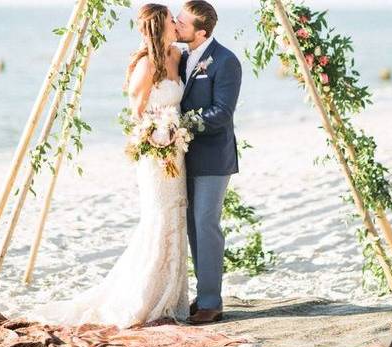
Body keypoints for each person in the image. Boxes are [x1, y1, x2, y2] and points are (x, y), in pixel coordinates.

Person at [29, 3, 189, 329]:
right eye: (171, 20)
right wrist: (158, 135)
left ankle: (171, 296)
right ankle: (146, 296)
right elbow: (137, 113)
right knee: (158, 218)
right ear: (160, 27)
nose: (176, 23)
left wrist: (176, 133)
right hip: (156, 155)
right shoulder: (145, 65)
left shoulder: (178, 57)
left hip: (177, 152)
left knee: (177, 216)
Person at [176, 0, 242, 324]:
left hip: (214, 158)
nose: (176, 25)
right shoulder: (181, 58)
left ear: (200, 31)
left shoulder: (226, 61)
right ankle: (203, 295)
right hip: (182, 156)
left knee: (206, 225)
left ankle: (212, 303)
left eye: (182, 22)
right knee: (192, 227)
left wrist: (179, 124)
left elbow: (221, 113)